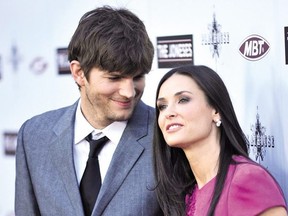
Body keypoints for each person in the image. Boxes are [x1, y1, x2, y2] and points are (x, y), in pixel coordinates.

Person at [15, 6, 163, 216]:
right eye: (115, 78)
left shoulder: (165, 135)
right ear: (79, 73)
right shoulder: (34, 136)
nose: (129, 92)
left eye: (138, 77)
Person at [153, 65, 287, 216]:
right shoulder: (186, 194)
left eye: (183, 100)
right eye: (162, 106)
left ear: (216, 111)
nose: (168, 113)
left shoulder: (247, 179)